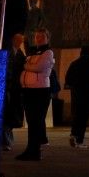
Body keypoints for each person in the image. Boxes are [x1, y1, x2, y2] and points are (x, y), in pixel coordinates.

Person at [16, 30, 56, 160]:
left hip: (40, 91)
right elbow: (34, 66)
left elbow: (39, 67)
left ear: (47, 38)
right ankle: (30, 149)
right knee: (31, 121)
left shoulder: (48, 52)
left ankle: (35, 150)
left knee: (37, 121)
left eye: (42, 36)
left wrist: (26, 65)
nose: (38, 39)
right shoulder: (33, 52)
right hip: (29, 90)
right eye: (37, 36)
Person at [64, 46, 89, 148]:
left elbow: (67, 79)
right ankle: (80, 140)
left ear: (80, 53)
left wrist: (75, 85)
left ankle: (73, 134)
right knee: (84, 119)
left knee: (76, 116)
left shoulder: (74, 64)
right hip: (87, 95)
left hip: (76, 95)